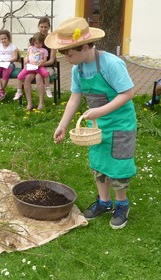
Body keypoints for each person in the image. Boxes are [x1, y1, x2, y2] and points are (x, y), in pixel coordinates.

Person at [48, 17, 137, 230]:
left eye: (70, 53)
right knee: (98, 163)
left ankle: (122, 204)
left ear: (86, 46)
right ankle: (104, 202)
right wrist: (62, 124)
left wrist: (100, 111)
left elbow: (128, 93)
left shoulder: (111, 64)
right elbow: (74, 98)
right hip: (97, 126)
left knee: (118, 165)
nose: (67, 58)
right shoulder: (78, 69)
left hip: (120, 124)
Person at [23, 17, 56, 110]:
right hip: (33, 66)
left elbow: (51, 60)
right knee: (27, 78)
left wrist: (41, 64)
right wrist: (26, 60)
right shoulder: (33, 39)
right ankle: (29, 103)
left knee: (38, 77)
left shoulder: (52, 41)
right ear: (38, 27)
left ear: (49, 27)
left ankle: (41, 103)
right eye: (41, 27)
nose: (43, 29)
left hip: (47, 66)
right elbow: (28, 54)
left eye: (46, 27)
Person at [13, 32, 49, 106]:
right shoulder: (30, 48)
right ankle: (19, 91)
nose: (37, 45)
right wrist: (26, 60)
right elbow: (27, 56)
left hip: (39, 67)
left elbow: (45, 59)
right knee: (20, 76)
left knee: (44, 74)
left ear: (43, 43)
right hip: (30, 67)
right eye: (36, 43)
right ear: (33, 42)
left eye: (39, 43)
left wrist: (42, 62)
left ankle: (47, 89)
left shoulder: (44, 50)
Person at [0, 30, 18, 100]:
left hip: (9, 64)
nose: (3, 40)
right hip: (0, 63)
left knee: (6, 72)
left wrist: (7, 61)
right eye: (1, 39)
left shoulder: (13, 46)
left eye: (5, 38)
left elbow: (15, 57)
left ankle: (0, 91)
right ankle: (1, 91)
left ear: (8, 38)